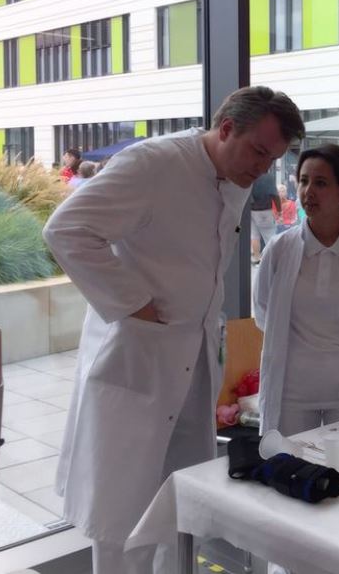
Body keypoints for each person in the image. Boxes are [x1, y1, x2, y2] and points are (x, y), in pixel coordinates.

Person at [43, 86, 304, 574]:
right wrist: (134, 304)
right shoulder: (154, 164)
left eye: (273, 159)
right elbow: (66, 229)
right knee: (122, 509)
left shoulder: (233, 178)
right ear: (226, 128)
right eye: (258, 152)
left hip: (193, 358)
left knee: (179, 501)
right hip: (137, 355)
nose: (263, 168)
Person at [254, 145, 339, 435]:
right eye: (303, 181)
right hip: (291, 388)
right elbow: (264, 312)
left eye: (321, 183)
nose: (308, 192)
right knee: (289, 459)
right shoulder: (279, 249)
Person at [250, 169, 281, 263]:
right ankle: (272, 260)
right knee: (270, 236)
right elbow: (275, 195)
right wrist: (279, 211)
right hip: (265, 211)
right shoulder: (268, 177)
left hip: (251, 210)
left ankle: (256, 258)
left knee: (254, 236)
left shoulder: (251, 174)